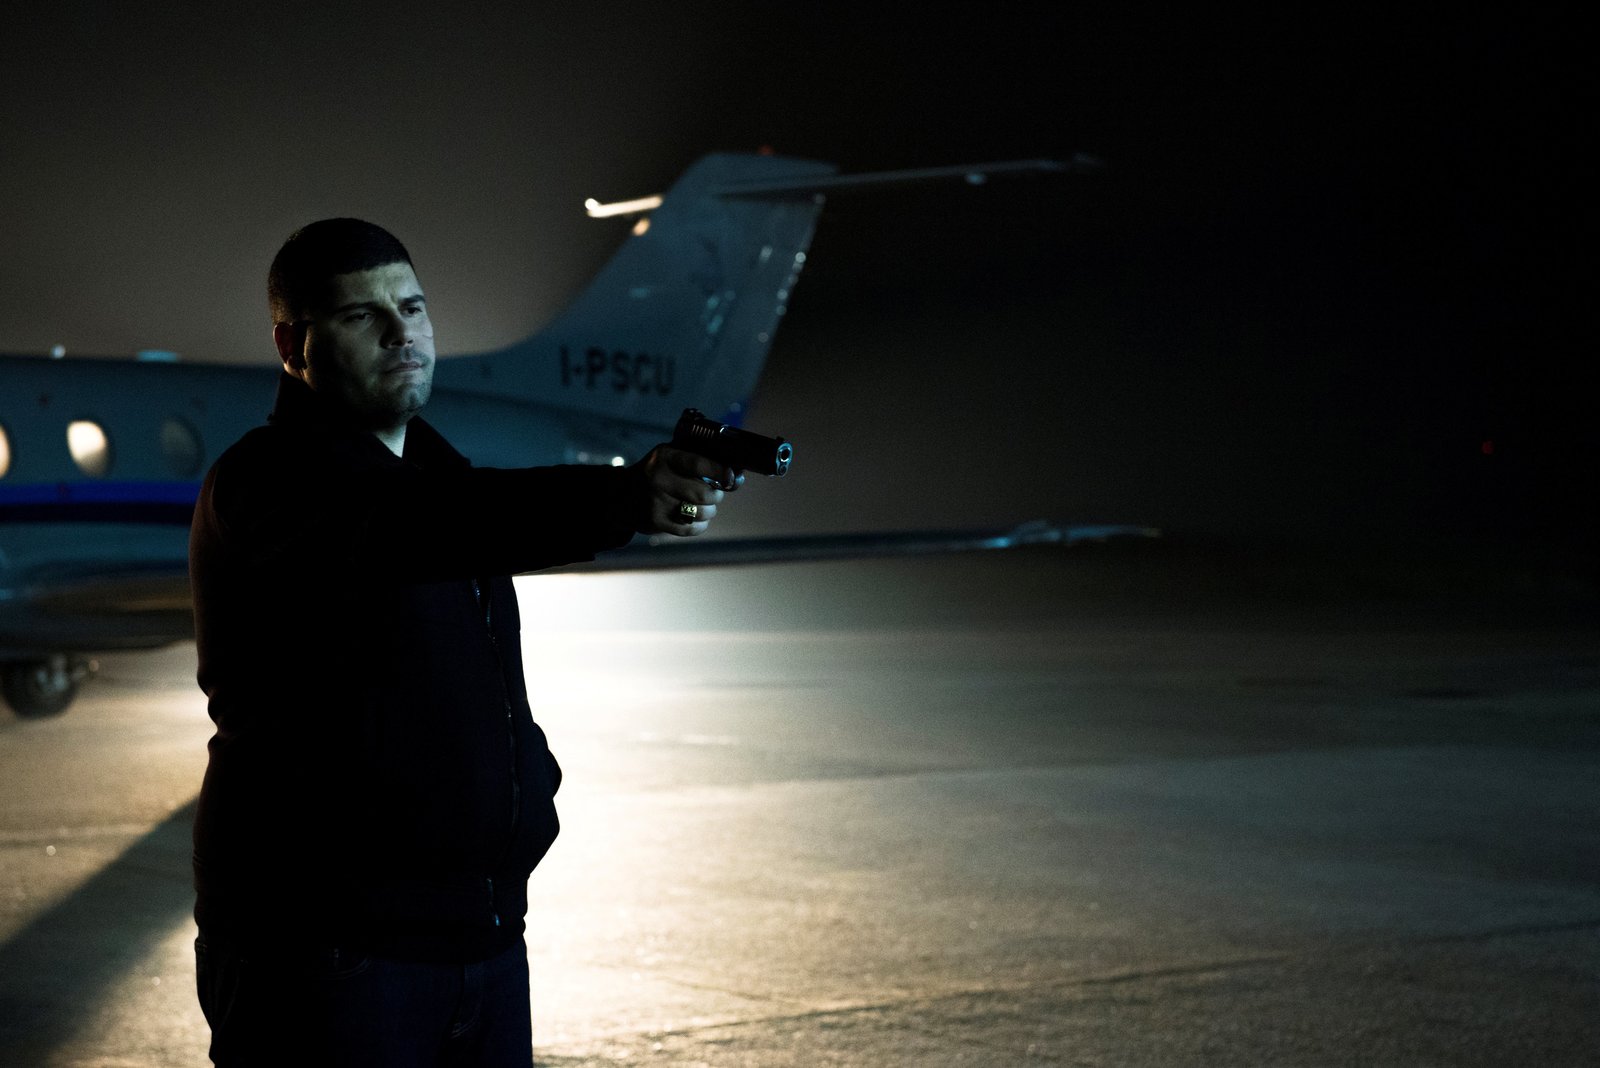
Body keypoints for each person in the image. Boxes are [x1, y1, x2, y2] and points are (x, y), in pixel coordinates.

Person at [188, 218, 738, 1066]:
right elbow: (411, 527)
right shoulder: (267, 483)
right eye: (361, 315)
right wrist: (621, 500)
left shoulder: (443, 485)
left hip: (480, 942)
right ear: (293, 346)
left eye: (412, 307)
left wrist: (526, 788)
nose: (400, 332)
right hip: (324, 955)